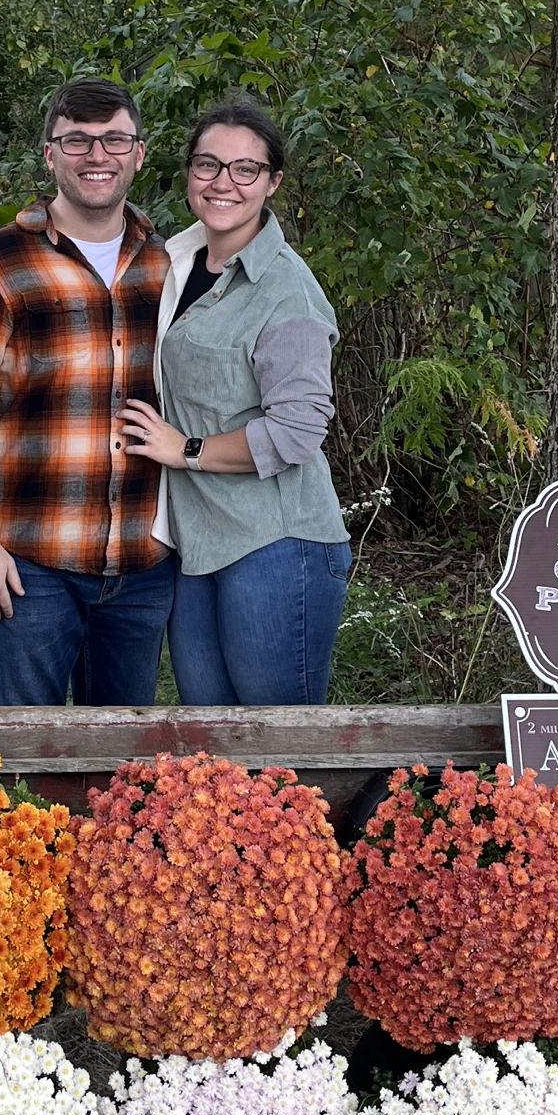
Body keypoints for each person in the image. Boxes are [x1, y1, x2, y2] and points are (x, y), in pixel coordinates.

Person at [0, 76, 173, 706]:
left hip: (143, 566)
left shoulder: (169, 266)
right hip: (29, 565)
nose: (98, 156)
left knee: (121, 774)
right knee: (18, 760)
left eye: (115, 140)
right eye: (78, 141)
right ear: (49, 153)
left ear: (139, 154)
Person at [117, 94, 352, 704]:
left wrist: (184, 448)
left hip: (276, 543)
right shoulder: (170, 261)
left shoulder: (286, 292)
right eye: (208, 165)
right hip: (197, 540)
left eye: (245, 169)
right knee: (211, 751)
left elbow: (298, 431)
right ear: (189, 172)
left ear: (272, 182)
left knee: (277, 757)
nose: (225, 183)